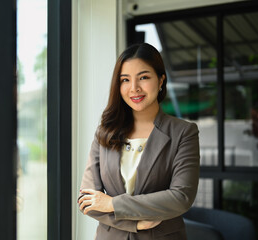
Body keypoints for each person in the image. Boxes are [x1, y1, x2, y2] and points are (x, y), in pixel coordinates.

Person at [78, 42, 200, 240]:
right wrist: (135, 224)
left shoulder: (184, 133)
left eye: (143, 77)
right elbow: (88, 201)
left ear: (161, 81)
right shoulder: (105, 132)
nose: (134, 88)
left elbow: (181, 198)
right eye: (125, 80)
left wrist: (112, 204)